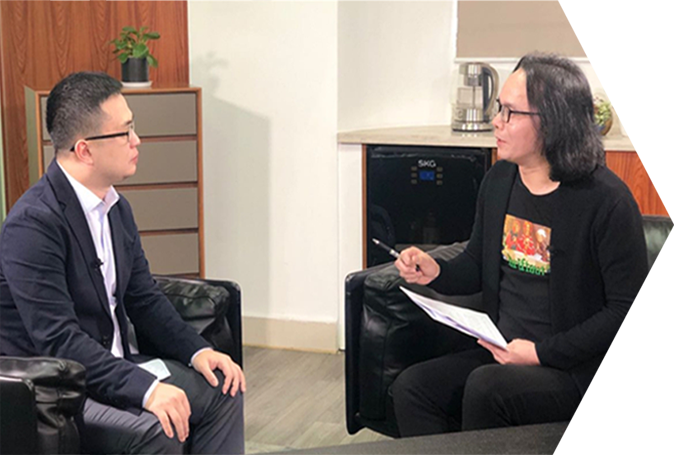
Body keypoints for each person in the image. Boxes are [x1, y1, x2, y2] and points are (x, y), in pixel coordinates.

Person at [392, 53, 649, 436]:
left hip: (570, 370)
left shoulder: (606, 200)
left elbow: (628, 310)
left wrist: (540, 353)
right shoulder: (500, 180)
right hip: (502, 351)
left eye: (510, 112)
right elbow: (477, 264)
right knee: (413, 389)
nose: (497, 121)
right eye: (499, 109)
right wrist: (435, 271)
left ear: (553, 121)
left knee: (487, 388)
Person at [0, 72, 245, 455]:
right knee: (159, 428)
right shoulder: (33, 224)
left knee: (224, 389)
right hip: (62, 389)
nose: (137, 140)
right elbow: (59, 340)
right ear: (85, 150)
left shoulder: (115, 207)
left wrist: (198, 351)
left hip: (119, 366)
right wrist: (145, 391)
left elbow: (144, 298)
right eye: (125, 131)